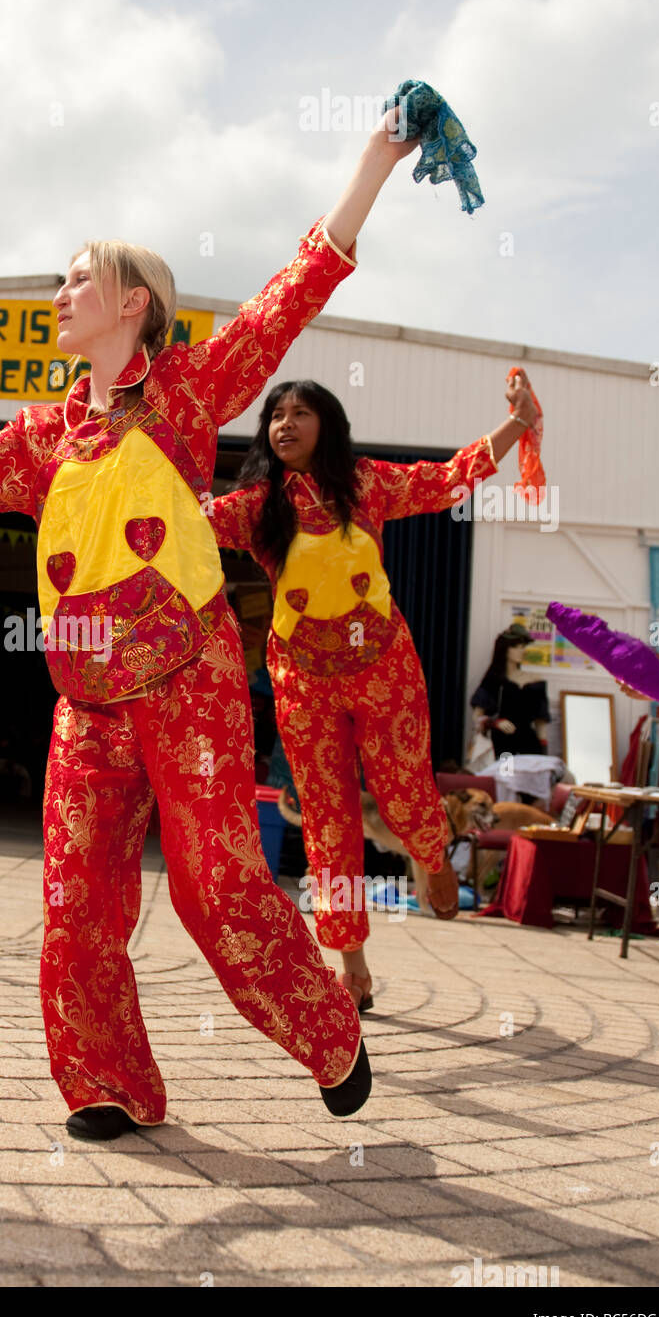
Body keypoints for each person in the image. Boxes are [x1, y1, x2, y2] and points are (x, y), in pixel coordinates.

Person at [0, 108, 430, 1138]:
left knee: (216, 889)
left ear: (133, 303)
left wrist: (373, 163)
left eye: (75, 279)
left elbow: (285, 302)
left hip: (191, 677)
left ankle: (329, 1032)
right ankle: (109, 1082)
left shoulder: (183, 392)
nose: (58, 294)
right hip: (87, 701)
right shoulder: (46, 432)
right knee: (78, 901)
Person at [208, 371, 540, 1012]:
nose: (285, 425)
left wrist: (520, 425)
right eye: (276, 416)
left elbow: (447, 481)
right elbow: (179, 522)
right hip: (303, 680)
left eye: (300, 413)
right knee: (329, 822)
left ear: (327, 425)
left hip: (383, 668)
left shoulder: (366, 485)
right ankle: (351, 964)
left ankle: (431, 852)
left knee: (404, 790)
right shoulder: (257, 506)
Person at [471, 623, 549, 759]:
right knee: (506, 774)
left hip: (529, 744)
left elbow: (540, 723)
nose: (521, 651)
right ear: (505, 649)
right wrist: (495, 722)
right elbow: (477, 716)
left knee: (531, 777)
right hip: (503, 744)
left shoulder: (535, 681)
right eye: (515, 647)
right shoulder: (494, 680)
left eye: (523, 647)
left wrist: (544, 753)